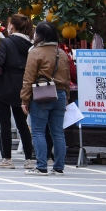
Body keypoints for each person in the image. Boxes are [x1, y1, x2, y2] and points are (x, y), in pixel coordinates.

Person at [0, 14, 36, 170]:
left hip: (5, 86)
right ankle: (29, 158)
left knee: (5, 124)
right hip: (24, 86)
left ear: (12, 26)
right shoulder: (31, 44)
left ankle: (7, 158)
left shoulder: (7, 42)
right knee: (22, 124)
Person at [22, 21, 71, 175]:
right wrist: (67, 96)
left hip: (42, 94)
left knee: (38, 131)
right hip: (60, 93)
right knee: (58, 132)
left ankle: (42, 166)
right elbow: (67, 77)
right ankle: (59, 167)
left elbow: (28, 78)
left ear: (39, 36)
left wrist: (24, 99)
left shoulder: (35, 52)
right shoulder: (61, 53)